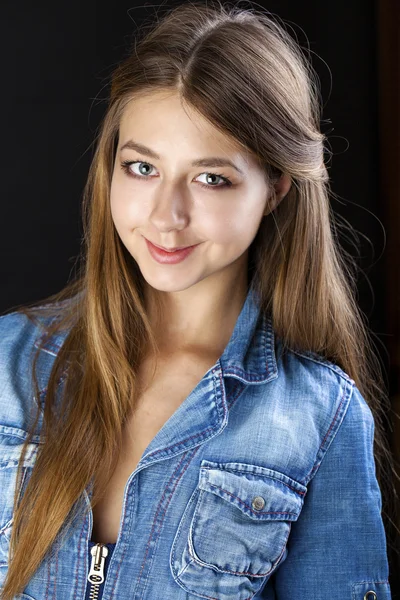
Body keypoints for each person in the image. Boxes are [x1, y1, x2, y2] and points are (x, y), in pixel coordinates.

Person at [0, 1, 396, 599]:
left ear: (275, 188)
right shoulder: (7, 363)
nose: (166, 216)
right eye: (142, 168)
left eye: (212, 178)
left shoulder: (320, 419)